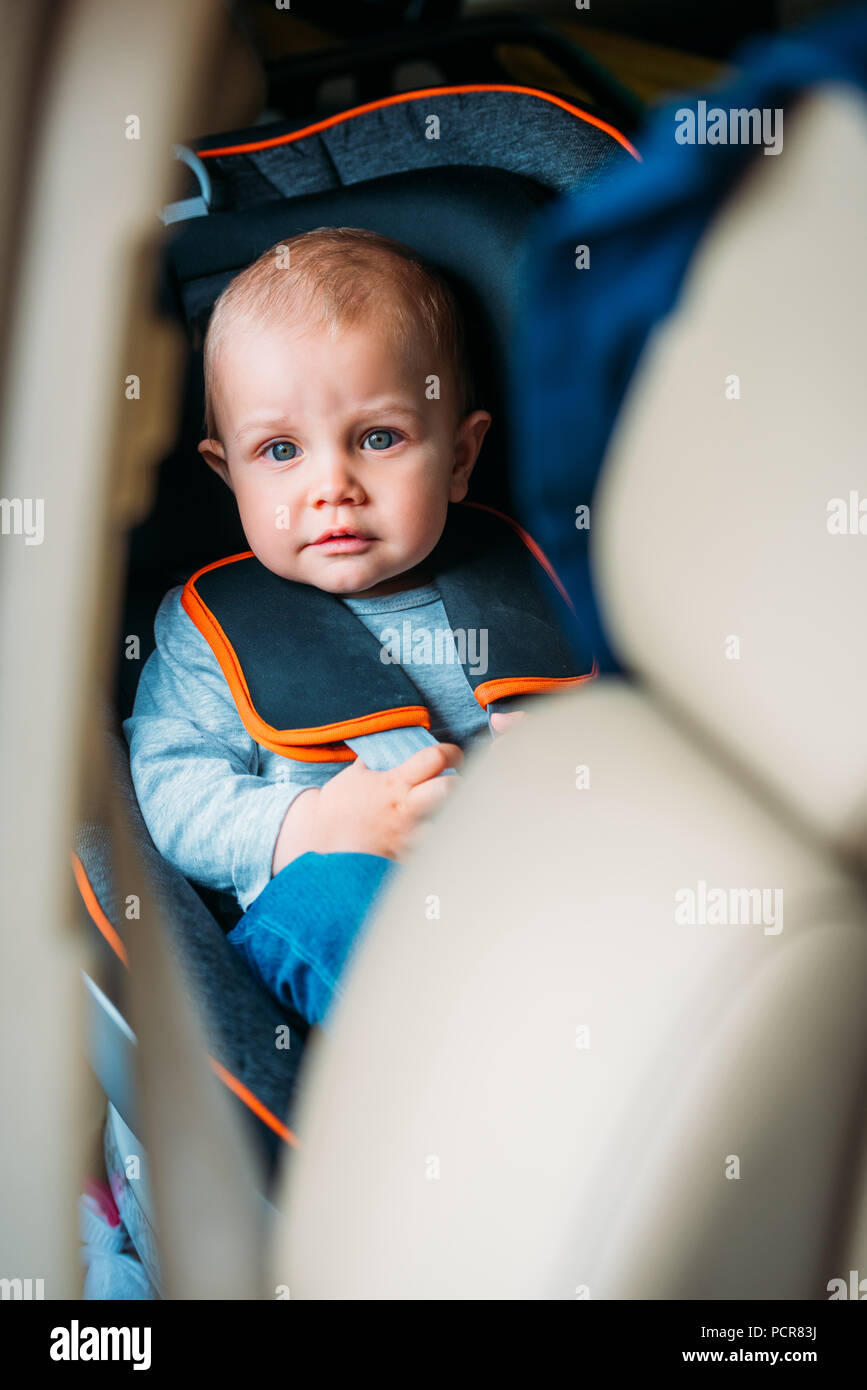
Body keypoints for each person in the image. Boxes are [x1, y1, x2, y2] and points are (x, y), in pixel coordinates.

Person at [124, 228, 553, 1031]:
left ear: (460, 457)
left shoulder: (528, 583)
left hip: (520, 900)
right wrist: (308, 826)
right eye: (281, 450)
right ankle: (473, 1065)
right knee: (332, 898)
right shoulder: (211, 630)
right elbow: (172, 787)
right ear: (228, 474)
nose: (332, 487)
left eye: (379, 438)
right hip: (331, 919)